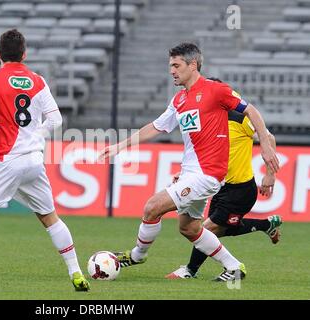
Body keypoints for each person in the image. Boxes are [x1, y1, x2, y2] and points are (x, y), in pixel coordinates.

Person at [99, 43, 279, 282]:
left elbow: (251, 111)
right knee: (189, 228)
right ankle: (234, 267)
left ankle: (137, 255)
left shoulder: (215, 90)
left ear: (192, 65)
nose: (172, 71)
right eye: (170, 66)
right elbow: (156, 126)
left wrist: (266, 148)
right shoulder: (180, 100)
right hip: (191, 174)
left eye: (176, 65)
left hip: (207, 175)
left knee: (152, 207)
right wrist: (121, 145)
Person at [0, 29, 90, 291]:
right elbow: (56, 120)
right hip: (34, 161)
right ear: (24, 54)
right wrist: (37, 134)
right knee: (50, 217)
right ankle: (76, 273)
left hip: (6, 160)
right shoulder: (37, 80)